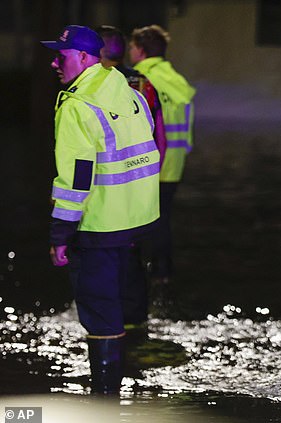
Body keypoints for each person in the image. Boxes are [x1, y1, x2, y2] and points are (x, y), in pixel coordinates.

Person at [41, 25, 160, 394]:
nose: (54, 63)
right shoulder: (128, 92)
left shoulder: (77, 104)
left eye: (60, 56)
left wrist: (60, 235)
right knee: (118, 305)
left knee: (100, 313)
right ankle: (119, 392)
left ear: (82, 57)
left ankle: (104, 400)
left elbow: (76, 179)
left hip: (98, 224)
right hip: (136, 220)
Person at [96, 24, 167, 327]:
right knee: (133, 251)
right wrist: (150, 177)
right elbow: (159, 136)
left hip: (105, 187)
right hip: (139, 184)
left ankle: (108, 321)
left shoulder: (95, 84)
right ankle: (137, 317)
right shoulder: (143, 83)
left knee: (101, 254)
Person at [128, 24, 196, 284]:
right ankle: (163, 271)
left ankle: (143, 273)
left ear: (141, 50)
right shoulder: (176, 79)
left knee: (141, 220)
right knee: (163, 217)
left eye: (132, 46)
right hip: (176, 160)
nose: (130, 51)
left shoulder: (139, 77)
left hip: (149, 160)